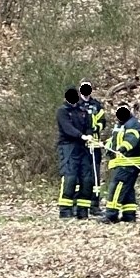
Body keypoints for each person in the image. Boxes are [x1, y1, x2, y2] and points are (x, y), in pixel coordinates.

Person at [99, 103, 140, 224]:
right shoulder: (119, 125)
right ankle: (129, 215)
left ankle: (111, 215)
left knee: (117, 187)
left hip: (130, 162)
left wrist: (123, 148)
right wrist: (107, 146)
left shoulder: (133, 124)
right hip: (121, 162)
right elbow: (114, 140)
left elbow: (132, 138)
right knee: (128, 189)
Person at [55, 86, 96, 220]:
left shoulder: (82, 111)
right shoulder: (62, 111)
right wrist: (81, 136)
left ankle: (82, 211)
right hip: (68, 147)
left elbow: (89, 127)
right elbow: (67, 128)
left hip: (83, 148)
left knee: (87, 178)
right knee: (70, 178)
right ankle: (65, 210)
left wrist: (89, 137)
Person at [80, 80, 109, 192]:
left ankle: (94, 202)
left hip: (95, 143)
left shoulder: (96, 105)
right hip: (80, 144)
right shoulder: (77, 104)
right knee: (81, 172)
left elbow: (103, 121)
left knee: (95, 171)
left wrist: (96, 128)